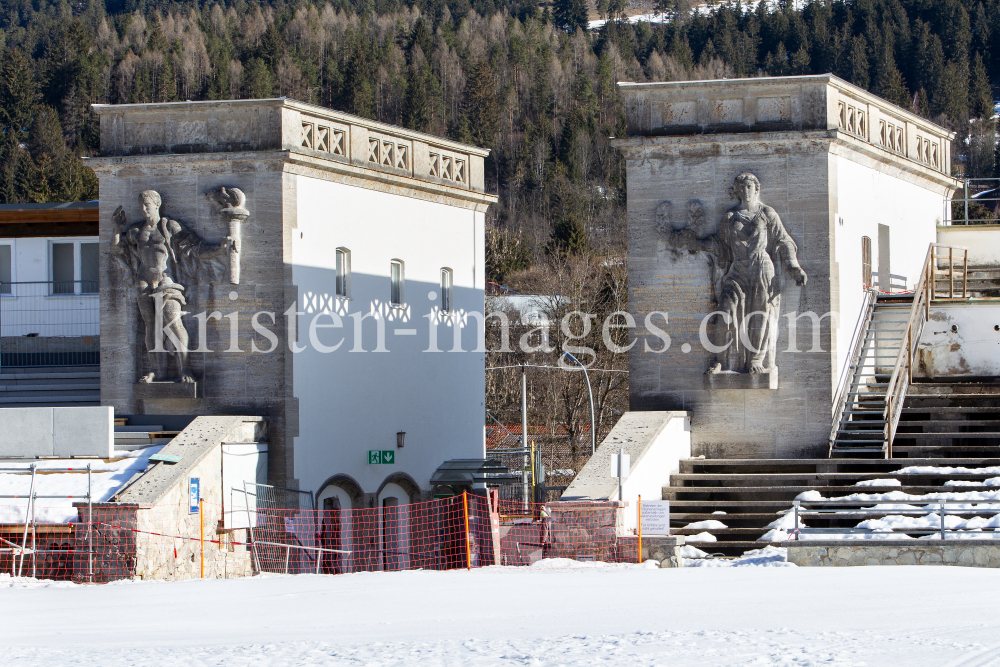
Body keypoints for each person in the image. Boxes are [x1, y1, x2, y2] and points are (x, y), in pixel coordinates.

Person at [667, 173, 807, 374]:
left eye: (749, 186)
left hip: (762, 267)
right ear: (737, 191)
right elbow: (719, 243)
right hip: (738, 268)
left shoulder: (767, 214)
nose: (745, 191)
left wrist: (793, 266)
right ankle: (721, 360)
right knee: (726, 310)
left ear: (756, 189)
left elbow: (784, 240)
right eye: (741, 187)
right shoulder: (730, 217)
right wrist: (695, 244)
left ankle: (756, 359)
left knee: (761, 314)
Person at [113, 190, 232, 382]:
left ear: (157, 204)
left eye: (147, 204)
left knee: (174, 323)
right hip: (143, 281)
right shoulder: (136, 231)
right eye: (141, 205)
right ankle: (155, 370)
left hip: (166, 281)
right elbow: (117, 250)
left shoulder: (169, 226)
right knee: (150, 326)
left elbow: (193, 248)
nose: (143, 209)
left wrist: (219, 249)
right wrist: (116, 228)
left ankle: (185, 369)